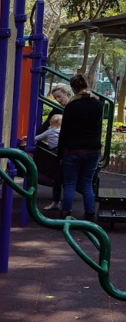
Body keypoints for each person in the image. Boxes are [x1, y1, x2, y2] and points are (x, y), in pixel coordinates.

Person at [57, 73, 102, 221]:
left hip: (73, 149)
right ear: (86, 84)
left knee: (69, 184)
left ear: (73, 88)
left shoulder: (71, 106)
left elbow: (64, 132)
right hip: (93, 148)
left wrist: (60, 154)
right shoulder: (97, 104)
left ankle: (65, 214)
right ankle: (89, 214)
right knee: (87, 183)